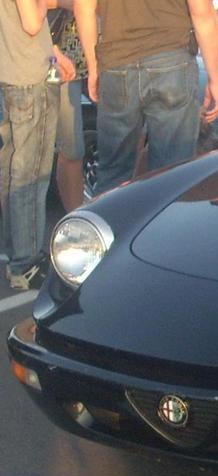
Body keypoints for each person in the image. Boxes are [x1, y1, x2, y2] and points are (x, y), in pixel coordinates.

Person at [74, 0, 218, 195]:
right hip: (171, 61)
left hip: (116, 62)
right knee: (173, 172)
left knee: (113, 172)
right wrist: (215, 79)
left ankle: (110, 215)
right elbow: (203, 13)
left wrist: (93, 67)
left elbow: (83, 7)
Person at [1, 0, 75, 290]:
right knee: (31, 174)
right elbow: (32, 23)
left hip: (8, 73)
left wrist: (54, 51)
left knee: (11, 169)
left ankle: (14, 252)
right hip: (30, 76)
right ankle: (27, 263)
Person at [49, 0, 86, 211]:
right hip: (61, 58)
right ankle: (75, 218)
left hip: (109, 54)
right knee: (72, 148)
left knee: (131, 139)